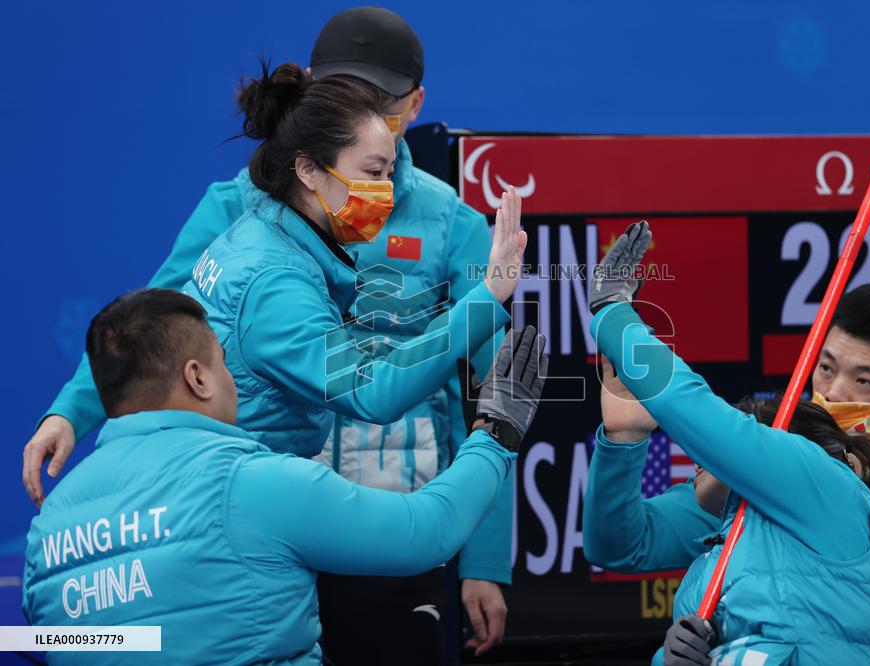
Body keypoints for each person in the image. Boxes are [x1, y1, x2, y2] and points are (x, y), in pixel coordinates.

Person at [22, 7, 515, 658]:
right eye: (346, 91)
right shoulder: (248, 213)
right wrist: (71, 409)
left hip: (382, 519)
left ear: (414, 104)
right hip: (257, 511)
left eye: (383, 99)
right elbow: (153, 329)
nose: (366, 108)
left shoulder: (452, 222)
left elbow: (489, 387)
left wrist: (484, 558)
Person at [21, 288, 547, 666]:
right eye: (224, 362)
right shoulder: (250, 483)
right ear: (197, 377)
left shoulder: (48, 529)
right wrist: (495, 434)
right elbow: (426, 530)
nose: (234, 379)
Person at [584, 265, 870, 660]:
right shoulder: (777, 459)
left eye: (864, 381)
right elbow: (622, 546)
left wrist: (855, 488)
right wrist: (624, 439)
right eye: (826, 368)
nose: (833, 392)